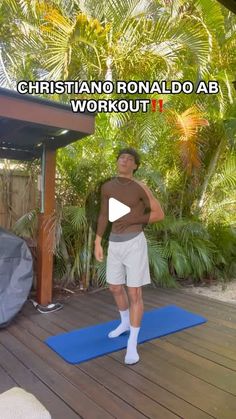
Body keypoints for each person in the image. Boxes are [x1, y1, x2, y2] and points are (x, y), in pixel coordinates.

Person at [94, 147, 164, 364]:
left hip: (134, 243)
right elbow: (104, 214)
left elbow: (158, 214)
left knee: (134, 293)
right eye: (121, 157)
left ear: (135, 166)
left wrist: (134, 220)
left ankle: (132, 344)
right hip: (114, 242)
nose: (124, 160)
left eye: (129, 158)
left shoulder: (140, 187)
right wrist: (98, 241)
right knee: (114, 287)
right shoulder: (108, 187)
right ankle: (124, 322)